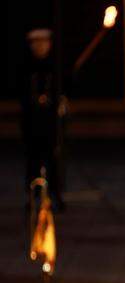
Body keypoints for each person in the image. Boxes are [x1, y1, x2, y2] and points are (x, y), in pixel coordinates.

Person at [20, 28, 65, 211]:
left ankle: (55, 196)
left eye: (44, 43)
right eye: (36, 43)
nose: (40, 47)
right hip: (32, 123)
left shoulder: (55, 68)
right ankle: (32, 197)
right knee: (32, 162)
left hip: (50, 124)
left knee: (53, 161)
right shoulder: (25, 69)